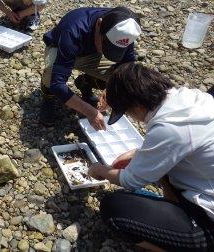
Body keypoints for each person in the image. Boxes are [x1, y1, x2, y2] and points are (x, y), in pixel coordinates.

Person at [88, 62, 214, 251]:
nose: (131, 116)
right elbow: (183, 143)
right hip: (204, 181)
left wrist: (101, 170)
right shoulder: (189, 98)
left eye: (127, 112)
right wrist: (138, 154)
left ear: (137, 105)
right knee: (163, 171)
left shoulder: (168, 128)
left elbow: (131, 181)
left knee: (113, 209)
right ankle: (174, 211)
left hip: (208, 221)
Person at [40, 6, 141, 130]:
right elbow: (57, 83)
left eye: (115, 49)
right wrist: (90, 112)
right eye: (106, 45)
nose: (106, 50)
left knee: (121, 78)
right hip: (60, 49)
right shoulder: (74, 29)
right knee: (51, 77)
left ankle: (85, 82)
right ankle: (48, 98)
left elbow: (127, 66)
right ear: (99, 24)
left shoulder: (125, 30)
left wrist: (111, 90)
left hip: (90, 54)